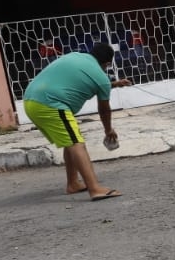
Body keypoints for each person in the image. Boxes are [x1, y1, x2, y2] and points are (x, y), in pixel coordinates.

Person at [22, 42, 131, 200]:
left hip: (31, 100)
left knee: (70, 140)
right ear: (107, 64)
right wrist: (108, 130)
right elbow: (104, 110)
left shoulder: (76, 56)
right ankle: (95, 189)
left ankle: (73, 183)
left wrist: (114, 84)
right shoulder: (101, 78)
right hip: (50, 103)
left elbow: (78, 80)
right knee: (76, 142)